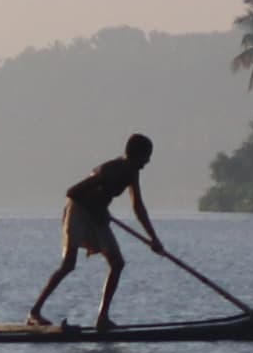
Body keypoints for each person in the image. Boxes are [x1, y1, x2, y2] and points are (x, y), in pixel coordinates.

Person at [26, 133, 163, 329]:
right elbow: (72, 192)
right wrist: (97, 207)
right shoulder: (112, 170)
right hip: (79, 211)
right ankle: (35, 312)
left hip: (97, 215)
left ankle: (102, 318)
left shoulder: (132, 173)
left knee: (117, 263)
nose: (148, 161)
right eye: (146, 157)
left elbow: (138, 207)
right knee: (68, 264)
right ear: (136, 155)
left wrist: (153, 238)